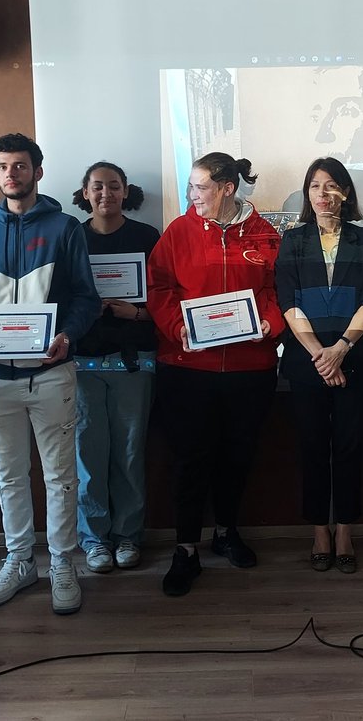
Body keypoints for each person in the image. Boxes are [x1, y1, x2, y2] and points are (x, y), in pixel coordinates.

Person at [0, 133, 100, 614]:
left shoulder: (65, 228)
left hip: (53, 371)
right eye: (3, 167)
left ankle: (62, 562)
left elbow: (86, 298)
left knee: (61, 477)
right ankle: (21, 560)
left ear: (37, 171)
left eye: (20, 166)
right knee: (9, 477)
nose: (11, 174)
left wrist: (68, 336)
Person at [146, 152, 284, 596]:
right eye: (190, 187)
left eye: (201, 187)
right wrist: (176, 327)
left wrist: (271, 323)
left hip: (250, 369)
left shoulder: (265, 235)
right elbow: (159, 286)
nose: (193, 195)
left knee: (237, 456)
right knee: (189, 460)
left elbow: (280, 290)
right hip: (187, 369)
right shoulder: (178, 232)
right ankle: (186, 548)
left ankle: (226, 532)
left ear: (227, 188)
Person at [276, 157, 363, 573]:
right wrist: (320, 353)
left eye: (332, 185)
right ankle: (320, 529)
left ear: (346, 192)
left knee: (351, 448)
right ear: (307, 195)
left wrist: (340, 348)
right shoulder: (293, 239)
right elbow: (288, 300)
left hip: (352, 357)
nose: (324, 194)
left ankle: (345, 531)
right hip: (307, 363)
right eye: (316, 187)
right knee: (313, 447)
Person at [69, 162, 161, 573]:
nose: (105, 193)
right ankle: (94, 540)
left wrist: (136, 314)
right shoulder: (71, 237)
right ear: (85, 193)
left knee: (128, 453)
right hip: (82, 363)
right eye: (97, 187)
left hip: (133, 362)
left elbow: (162, 299)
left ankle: (127, 536)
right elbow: (62, 296)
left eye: (114, 186)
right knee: (89, 456)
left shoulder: (147, 237)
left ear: (126, 192)